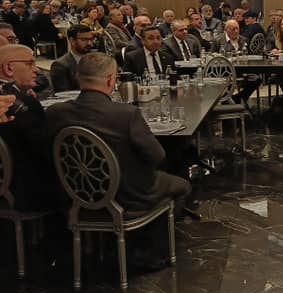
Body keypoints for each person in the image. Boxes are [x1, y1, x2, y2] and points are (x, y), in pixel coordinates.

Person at [46, 52, 192, 216]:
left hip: (77, 193)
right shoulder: (126, 114)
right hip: (129, 196)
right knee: (183, 186)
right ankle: (157, 228)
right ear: (110, 80)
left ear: (77, 77)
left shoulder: (55, 113)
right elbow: (157, 156)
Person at [0, 45, 60, 210]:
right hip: (27, 192)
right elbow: (45, 149)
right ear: (9, 68)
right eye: (29, 63)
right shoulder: (20, 102)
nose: (37, 70)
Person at [50, 24, 94, 93]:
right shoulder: (60, 65)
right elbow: (64, 94)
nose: (89, 43)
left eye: (91, 39)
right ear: (72, 41)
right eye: (84, 39)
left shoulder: (95, 60)